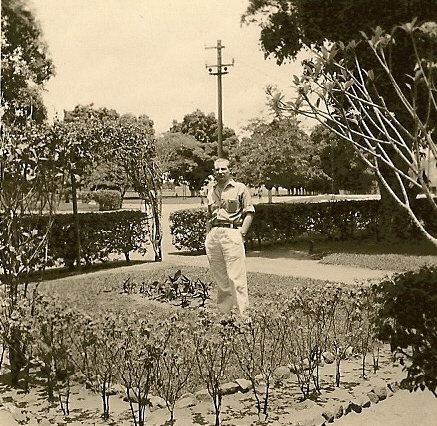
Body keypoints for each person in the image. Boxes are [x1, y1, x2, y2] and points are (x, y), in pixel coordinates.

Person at [205, 158, 255, 317]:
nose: (220, 172)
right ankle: (224, 316)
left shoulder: (240, 188)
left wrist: (241, 233)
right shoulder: (211, 191)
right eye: (217, 169)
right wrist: (208, 235)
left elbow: (249, 213)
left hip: (232, 232)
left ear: (230, 170)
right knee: (221, 280)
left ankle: (244, 317)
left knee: (236, 278)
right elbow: (208, 215)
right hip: (214, 235)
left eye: (223, 169)